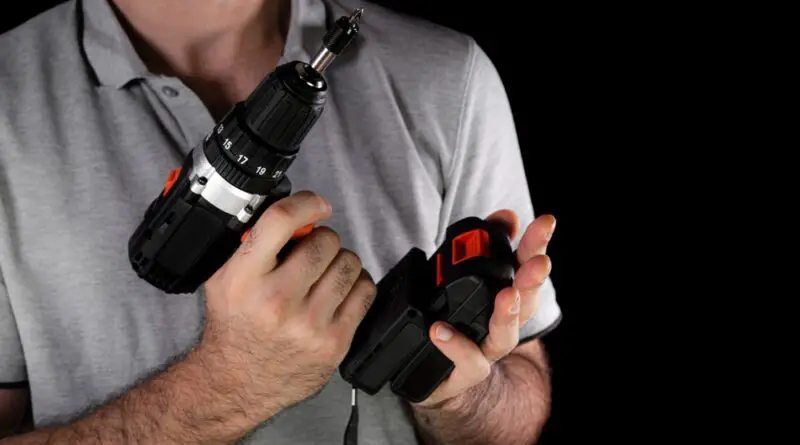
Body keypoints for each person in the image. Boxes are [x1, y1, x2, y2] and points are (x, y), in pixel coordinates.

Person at [0, 0, 562, 443]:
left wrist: (459, 395)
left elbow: (519, 403)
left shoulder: (448, 76)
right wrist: (228, 386)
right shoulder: (9, 95)